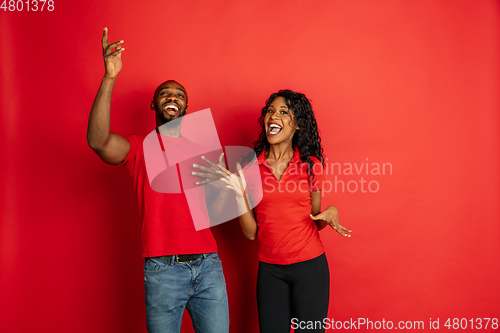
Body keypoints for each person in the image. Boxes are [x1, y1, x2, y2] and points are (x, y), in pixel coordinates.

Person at [87, 27, 229, 333]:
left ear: (186, 108)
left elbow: (218, 208)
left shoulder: (204, 152)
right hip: (163, 271)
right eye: (165, 93)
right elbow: (98, 142)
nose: (172, 97)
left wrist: (230, 186)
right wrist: (109, 76)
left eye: (179, 95)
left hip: (209, 267)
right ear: (154, 105)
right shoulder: (139, 147)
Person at [197, 89, 351, 333]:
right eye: (270, 111)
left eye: (283, 112)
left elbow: (316, 218)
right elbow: (250, 234)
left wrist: (330, 212)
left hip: (310, 268)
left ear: (297, 124)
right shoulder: (249, 166)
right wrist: (239, 193)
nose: (273, 116)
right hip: (270, 271)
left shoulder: (310, 165)